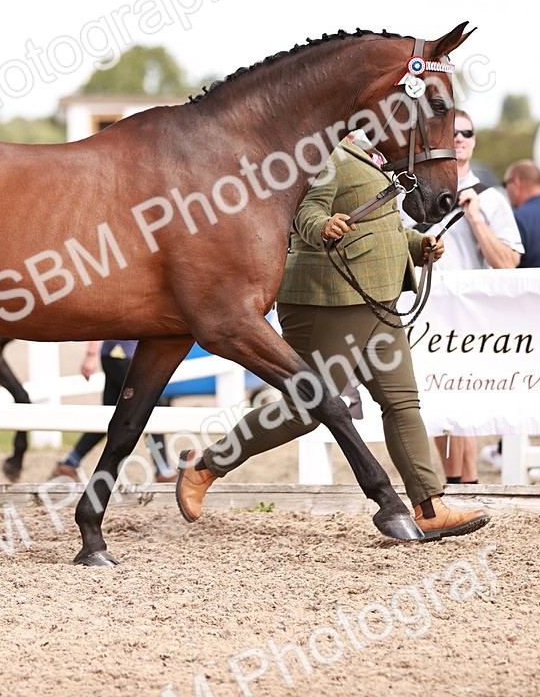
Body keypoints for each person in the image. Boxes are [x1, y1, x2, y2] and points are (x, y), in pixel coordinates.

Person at [175, 132, 490, 540]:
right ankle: (204, 468)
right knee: (305, 410)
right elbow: (305, 213)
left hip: (376, 297)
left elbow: (382, 224)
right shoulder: (326, 155)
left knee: (401, 402)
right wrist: (324, 227)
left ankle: (429, 506)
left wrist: (418, 244)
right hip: (330, 299)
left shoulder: (371, 155)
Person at [412, 109, 524, 485]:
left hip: (471, 314)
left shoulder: (492, 200)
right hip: (425, 309)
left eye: (467, 132)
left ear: (474, 140)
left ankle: (468, 482)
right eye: (452, 132)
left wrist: (475, 219)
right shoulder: (414, 194)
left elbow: (508, 263)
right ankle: (452, 484)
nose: (459, 138)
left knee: (464, 399)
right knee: (434, 401)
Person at [480, 159, 540, 478]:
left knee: (528, 383)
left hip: (531, 315)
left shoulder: (520, 219)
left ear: (518, 183)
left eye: (507, 185)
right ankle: (511, 448)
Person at [52, 340, 178, 483]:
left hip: (117, 355)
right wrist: (91, 354)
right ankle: (163, 470)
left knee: (111, 414)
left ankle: (69, 464)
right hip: (123, 355)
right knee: (151, 406)